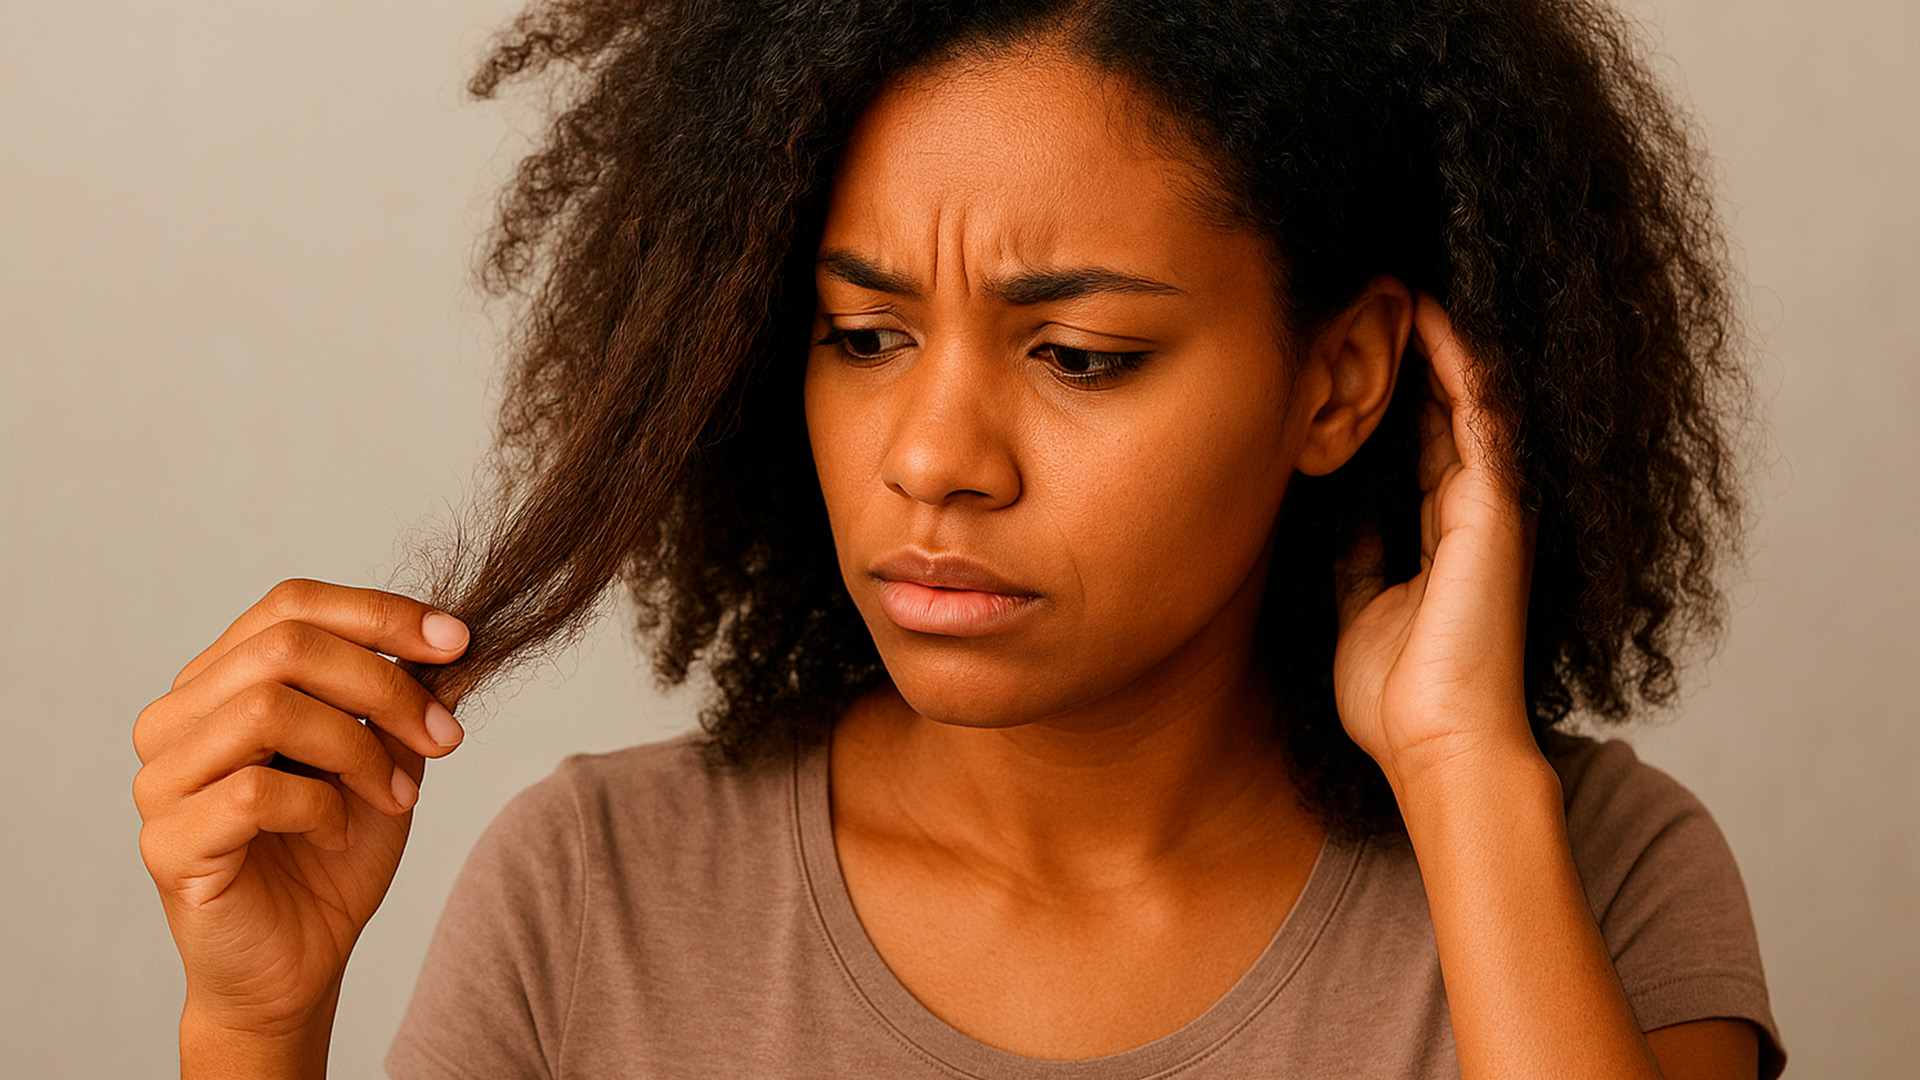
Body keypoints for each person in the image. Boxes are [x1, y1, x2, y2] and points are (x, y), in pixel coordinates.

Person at [131, 0, 1784, 1076]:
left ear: (1338, 381)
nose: (930, 458)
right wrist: (256, 1024)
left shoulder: (1596, 881)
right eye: (862, 339)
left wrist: (1460, 770)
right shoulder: (597, 896)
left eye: (1078, 357)